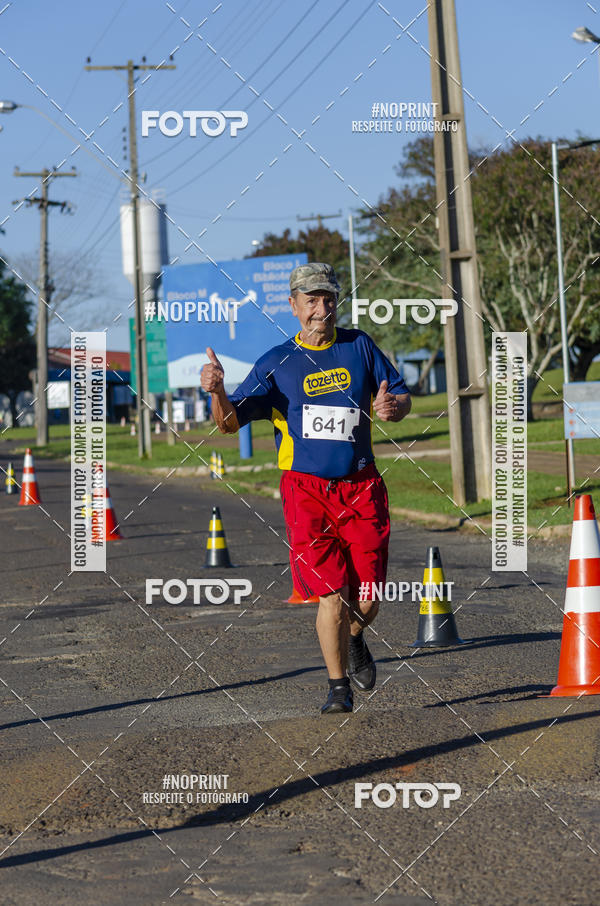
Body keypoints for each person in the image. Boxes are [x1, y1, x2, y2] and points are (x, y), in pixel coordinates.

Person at [200, 263, 411, 714]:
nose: (322, 308)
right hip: (307, 493)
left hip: (361, 487)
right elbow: (227, 423)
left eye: (329, 298)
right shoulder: (277, 363)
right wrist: (217, 392)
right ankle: (338, 688)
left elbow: (400, 393)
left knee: (369, 597)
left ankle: (356, 637)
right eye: (311, 300)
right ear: (293, 306)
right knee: (330, 594)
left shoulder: (360, 346)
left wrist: (395, 407)